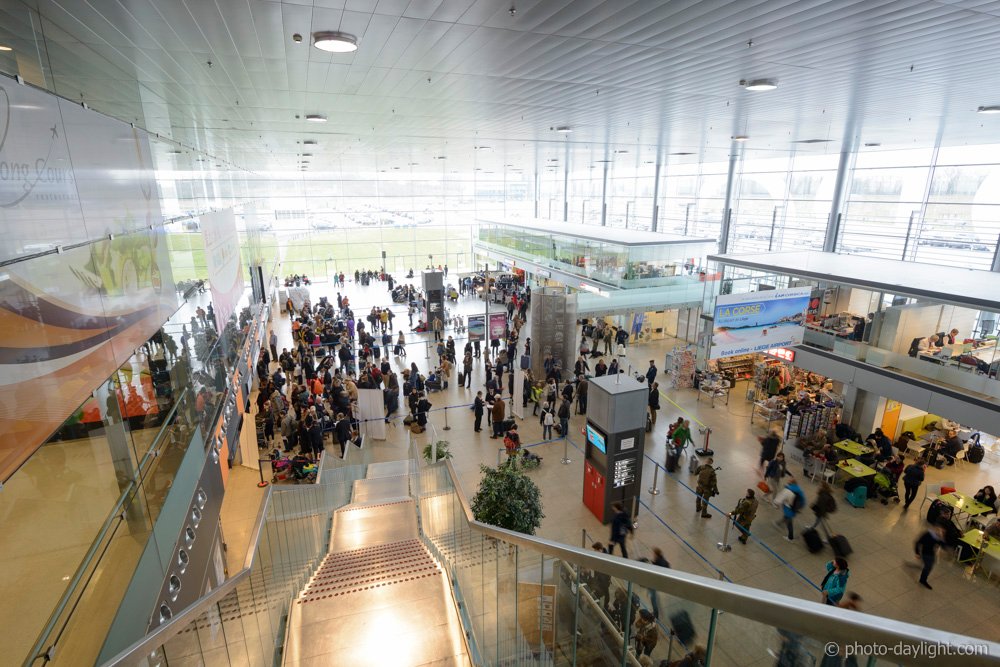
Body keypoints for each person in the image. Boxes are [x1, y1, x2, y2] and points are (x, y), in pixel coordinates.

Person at [915, 523, 946, 589]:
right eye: (939, 530)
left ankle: (922, 576)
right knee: (928, 567)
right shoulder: (927, 534)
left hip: (931, 553)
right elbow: (918, 542)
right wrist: (917, 552)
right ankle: (923, 580)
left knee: (928, 566)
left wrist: (941, 537)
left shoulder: (937, 536)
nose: (940, 532)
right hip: (925, 553)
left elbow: (943, 545)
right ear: (935, 529)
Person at [776, 476, 806, 541]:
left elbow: (780, 499)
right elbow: (803, 500)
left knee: (789, 522)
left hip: (789, 508)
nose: (788, 481)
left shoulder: (788, 490)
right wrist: (800, 508)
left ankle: (790, 537)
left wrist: (777, 504)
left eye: (789, 480)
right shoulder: (799, 489)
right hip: (795, 508)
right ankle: (779, 523)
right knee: (786, 517)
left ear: (791, 483)